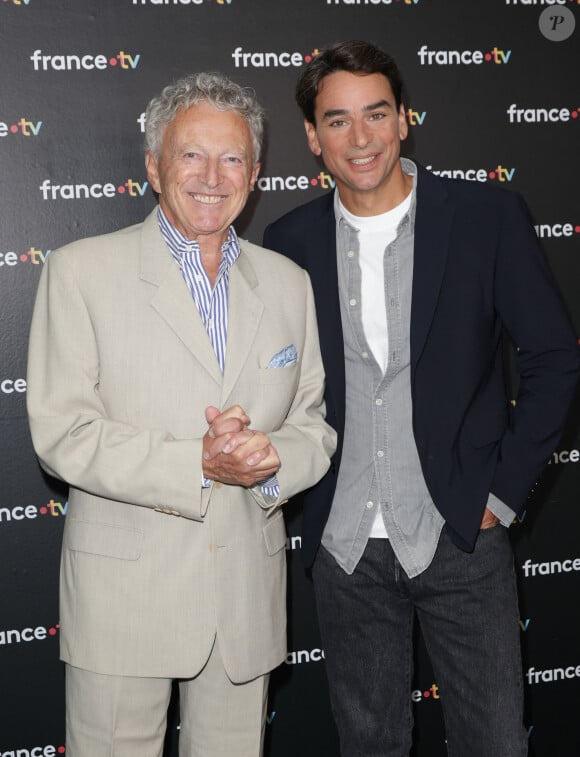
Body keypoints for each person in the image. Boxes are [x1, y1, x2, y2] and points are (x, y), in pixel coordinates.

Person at [263, 40, 580, 757]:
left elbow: (554, 358)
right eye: (337, 120)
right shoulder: (287, 242)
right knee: (369, 744)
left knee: (494, 742)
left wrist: (500, 494)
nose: (361, 136)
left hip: (461, 534)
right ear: (313, 138)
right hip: (345, 546)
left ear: (404, 119)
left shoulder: (486, 216)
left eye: (376, 113)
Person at [26, 72, 336, 757]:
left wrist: (270, 459)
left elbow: (314, 421)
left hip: (245, 603)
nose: (211, 176)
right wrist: (195, 461)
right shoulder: (82, 271)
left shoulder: (289, 284)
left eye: (231, 158)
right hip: (124, 600)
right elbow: (62, 432)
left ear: (255, 174)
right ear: (153, 167)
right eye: (190, 154)